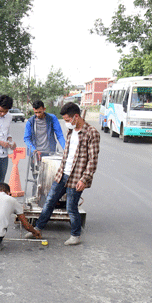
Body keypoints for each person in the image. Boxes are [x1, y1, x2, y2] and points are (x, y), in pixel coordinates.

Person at [25, 102, 100, 245]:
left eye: (67, 120)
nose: (66, 123)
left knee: (71, 207)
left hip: (77, 177)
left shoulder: (92, 133)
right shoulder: (71, 131)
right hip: (62, 174)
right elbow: (66, 153)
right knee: (49, 202)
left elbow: (92, 161)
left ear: (76, 117)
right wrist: (59, 171)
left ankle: (75, 235)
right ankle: (37, 229)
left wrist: (85, 179)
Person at [23, 100, 67, 194]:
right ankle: (36, 197)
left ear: (44, 109)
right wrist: (34, 151)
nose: (38, 114)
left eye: (40, 112)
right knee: (37, 179)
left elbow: (59, 135)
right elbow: (26, 139)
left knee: (50, 178)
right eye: (36, 112)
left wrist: (65, 148)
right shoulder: (30, 122)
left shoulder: (52, 118)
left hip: (49, 153)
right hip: (35, 154)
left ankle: (49, 200)